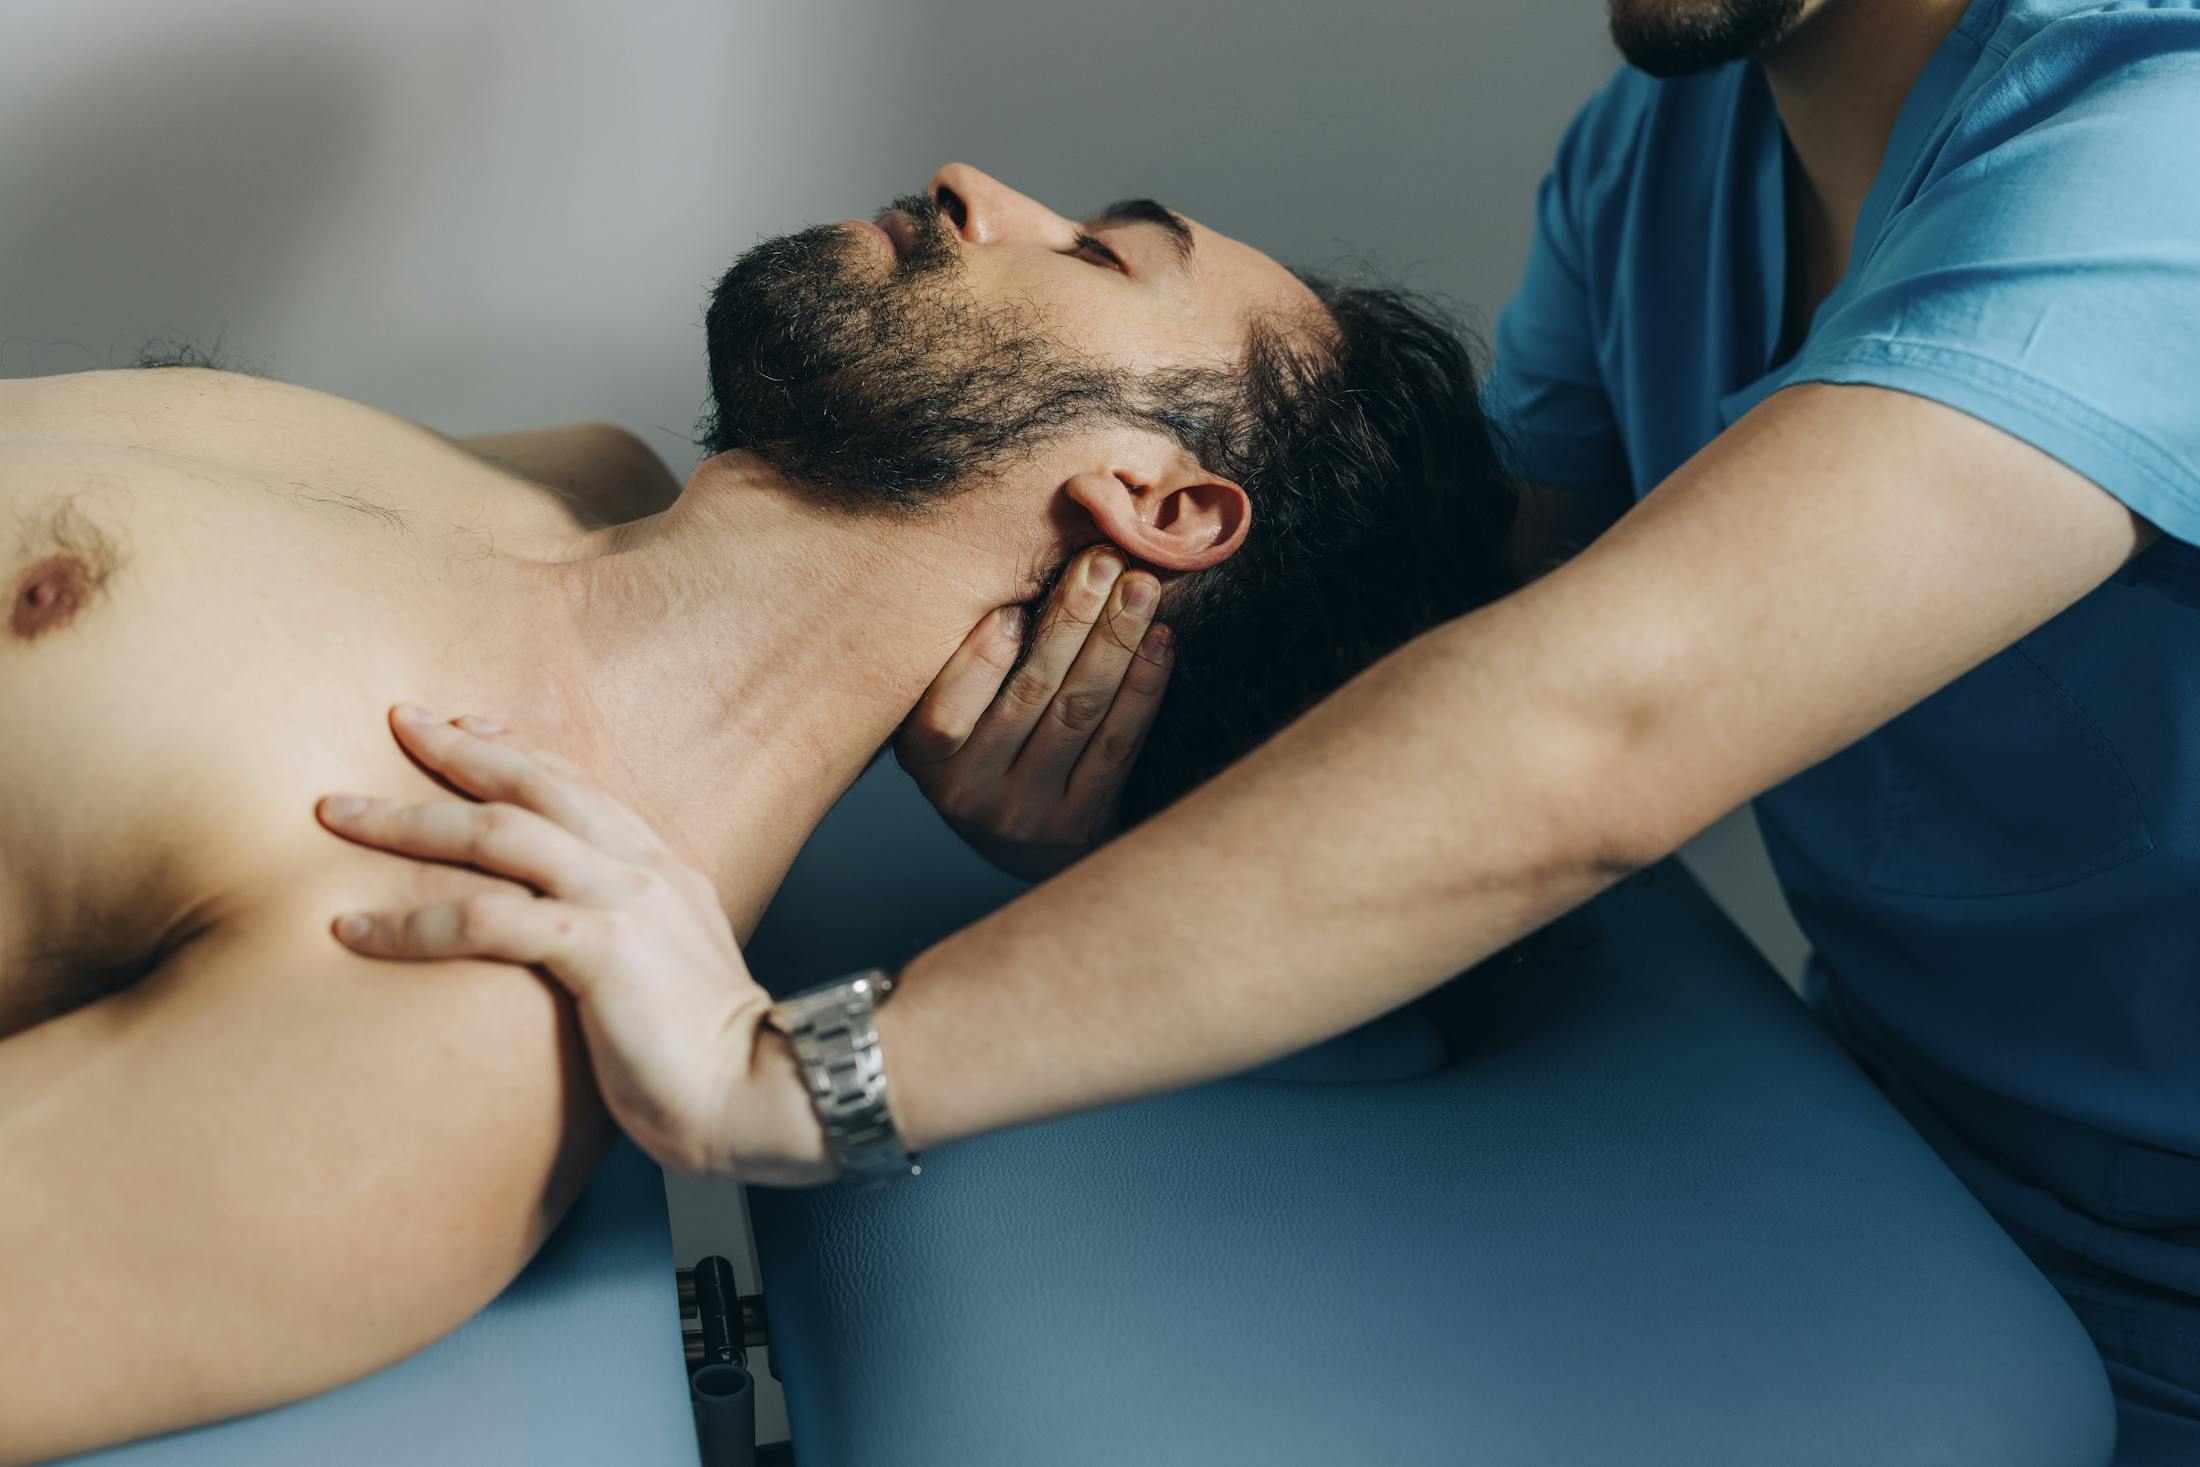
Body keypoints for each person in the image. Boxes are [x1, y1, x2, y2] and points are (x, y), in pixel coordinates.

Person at [323, 0, 2200, 1460]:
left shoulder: (2156, 151)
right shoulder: (1650, 160)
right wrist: (1117, 793)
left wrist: (790, 1081)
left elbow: (1596, 718)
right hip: (1892, 1124)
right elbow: (1430, 641)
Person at [0, 168, 1518, 1461]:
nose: (972, 188)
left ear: (1162, 505)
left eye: (1100, 255)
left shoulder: (457, 1017)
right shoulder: (573, 479)